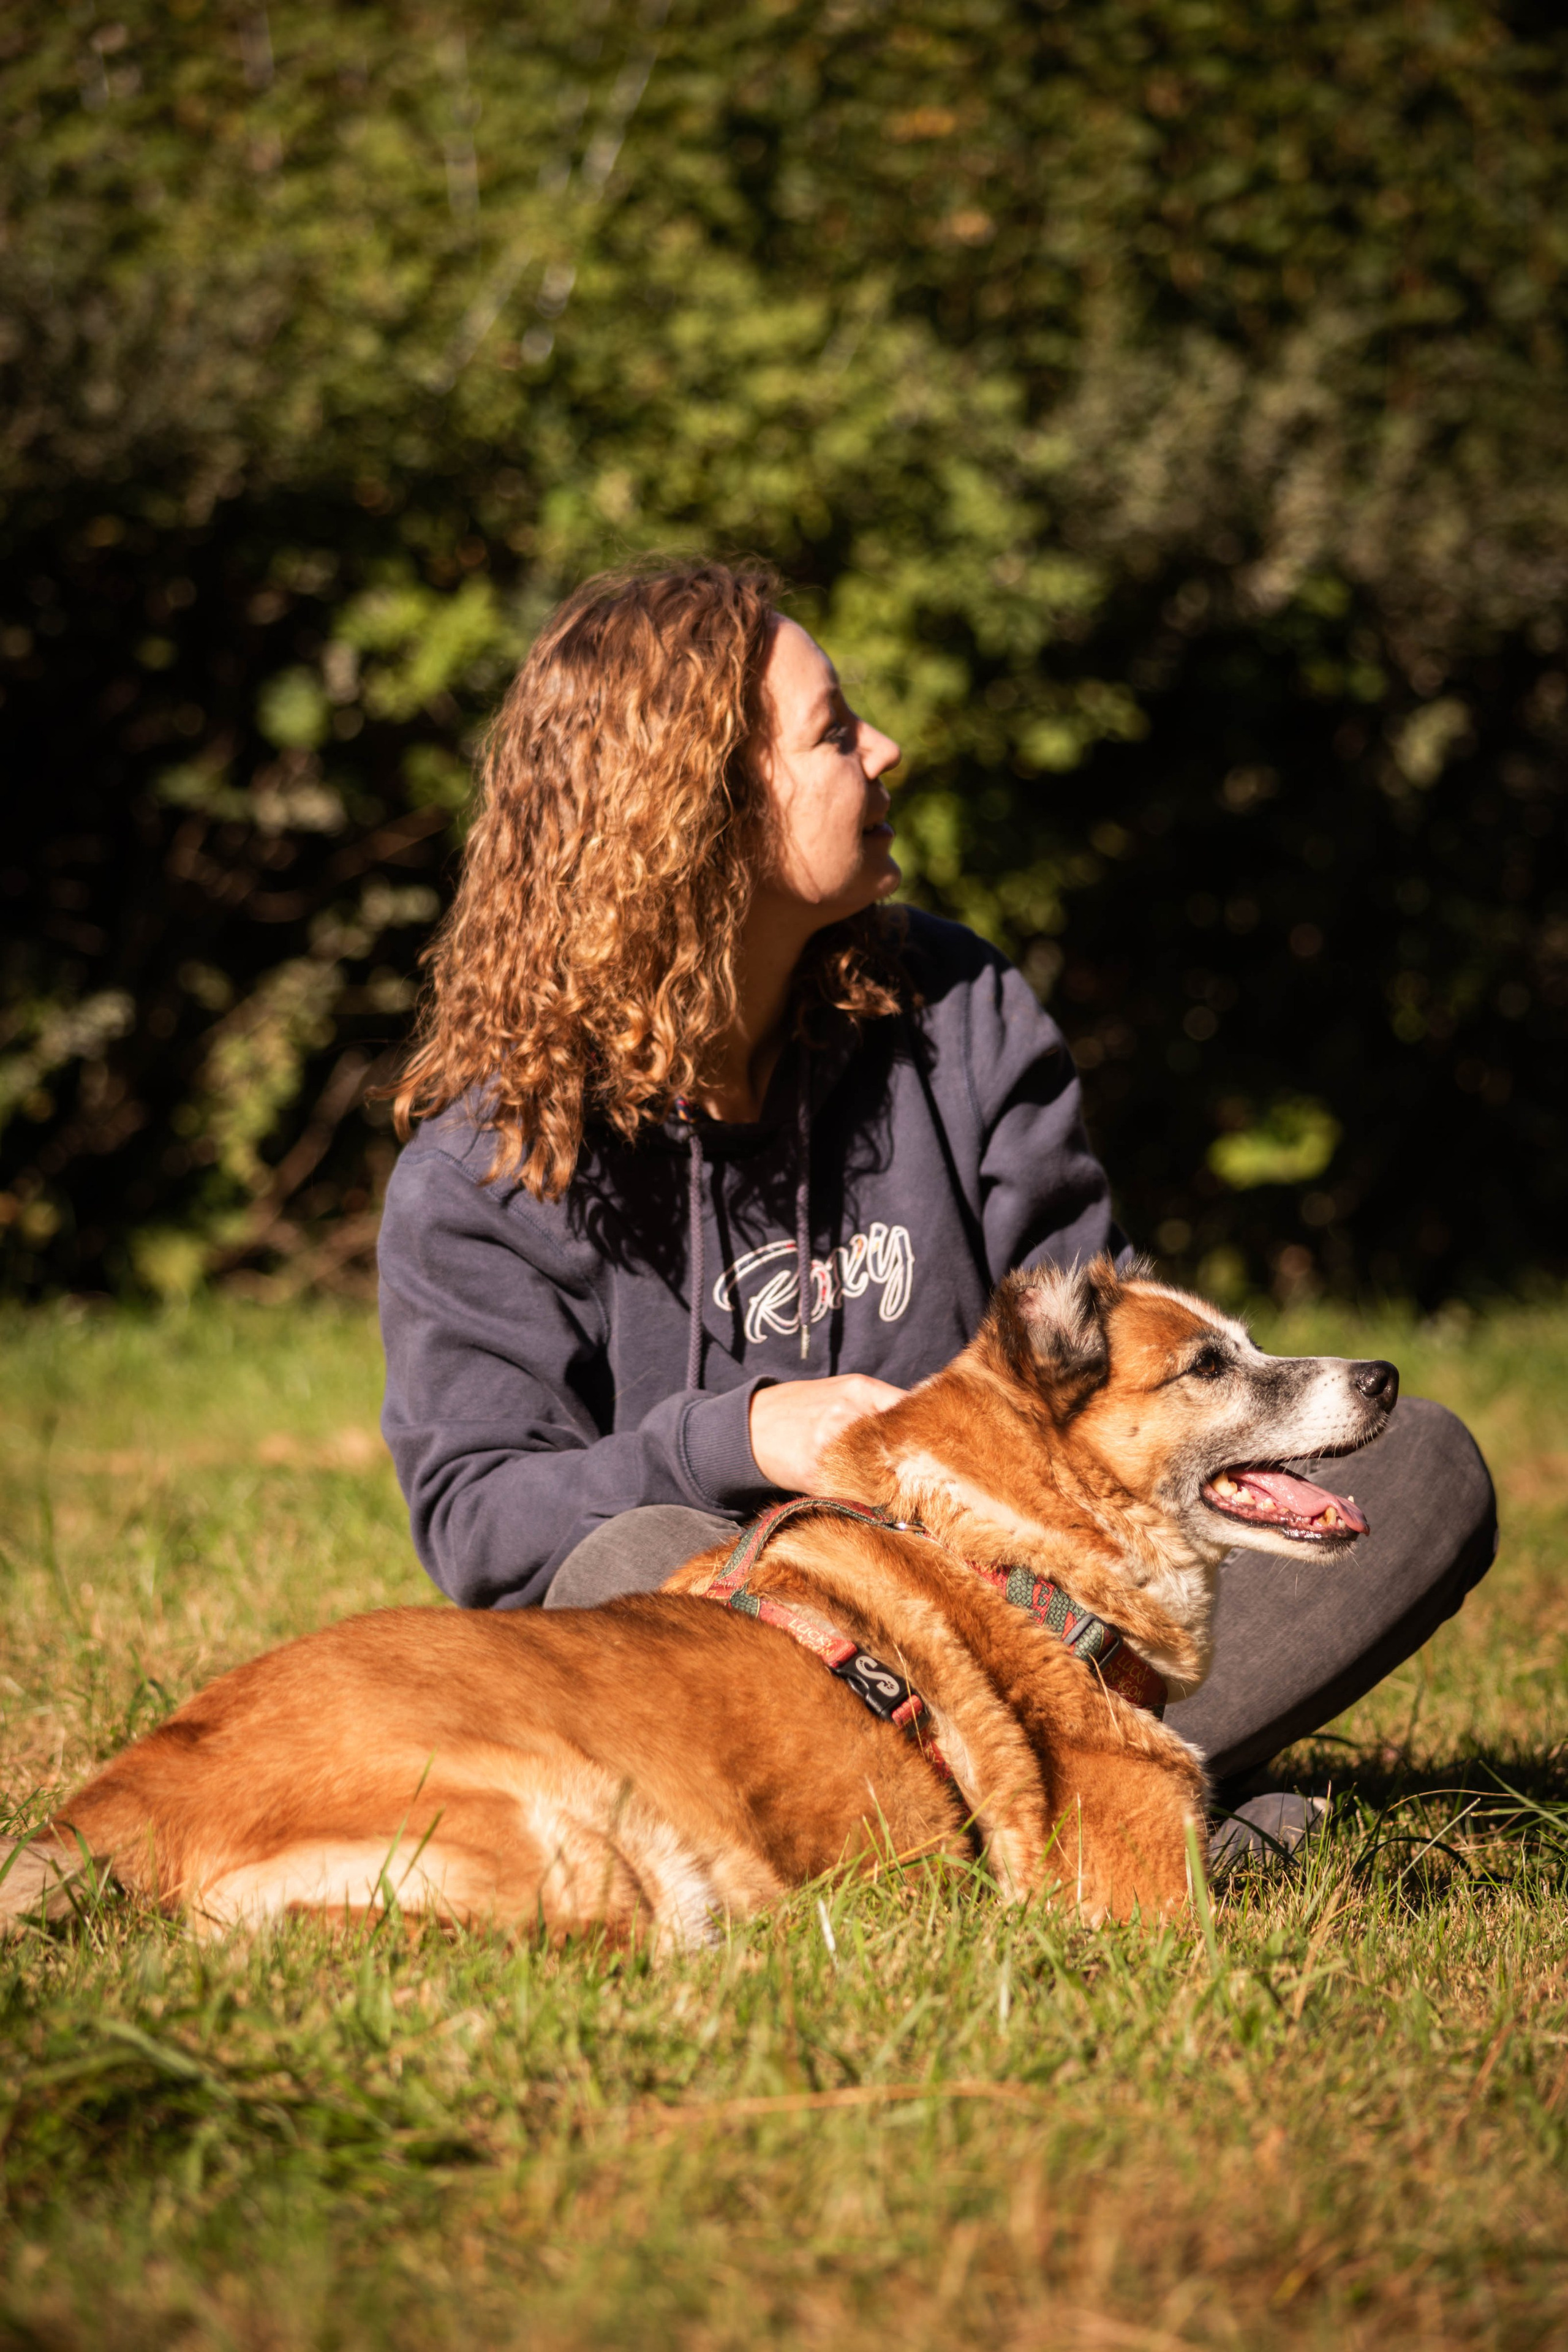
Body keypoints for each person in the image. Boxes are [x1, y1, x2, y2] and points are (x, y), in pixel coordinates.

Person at [377, 559, 1496, 1802]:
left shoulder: (956, 1010)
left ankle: (1008, 1806)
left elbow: (1099, 1363)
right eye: (835, 732)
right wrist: (740, 1436)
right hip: (749, 1657)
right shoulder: (483, 1165)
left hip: (1041, 1616)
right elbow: (483, 1522)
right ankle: (1089, 1807)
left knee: (1418, 1473)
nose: (887, 751)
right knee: (630, 1562)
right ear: (695, 810)